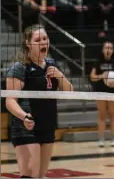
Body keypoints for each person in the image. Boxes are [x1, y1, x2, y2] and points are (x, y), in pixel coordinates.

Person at [5, 24, 73, 178]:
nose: (43, 42)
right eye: (38, 40)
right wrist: (24, 116)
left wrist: (60, 76)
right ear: (28, 44)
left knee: (40, 176)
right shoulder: (20, 68)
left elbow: (70, 92)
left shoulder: (52, 65)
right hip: (26, 126)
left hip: (47, 126)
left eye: (45, 38)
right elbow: (10, 101)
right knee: (29, 174)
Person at [90, 41, 114, 147]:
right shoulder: (98, 62)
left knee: (113, 115)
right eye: (106, 48)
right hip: (100, 91)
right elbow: (92, 76)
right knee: (102, 116)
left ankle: (113, 139)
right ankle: (101, 139)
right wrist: (102, 76)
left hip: (113, 92)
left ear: (113, 50)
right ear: (103, 49)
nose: (108, 50)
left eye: (110, 48)